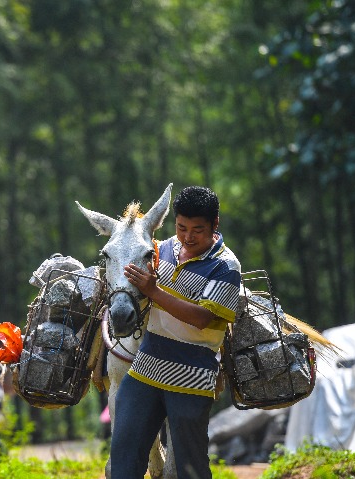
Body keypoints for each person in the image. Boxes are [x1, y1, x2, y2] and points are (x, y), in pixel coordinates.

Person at [110, 186, 241, 479]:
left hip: (191, 380)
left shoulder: (226, 266)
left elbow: (203, 318)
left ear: (215, 225)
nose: (188, 237)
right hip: (144, 372)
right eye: (182, 227)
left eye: (198, 230)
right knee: (123, 457)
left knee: (189, 468)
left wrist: (152, 290)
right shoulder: (162, 249)